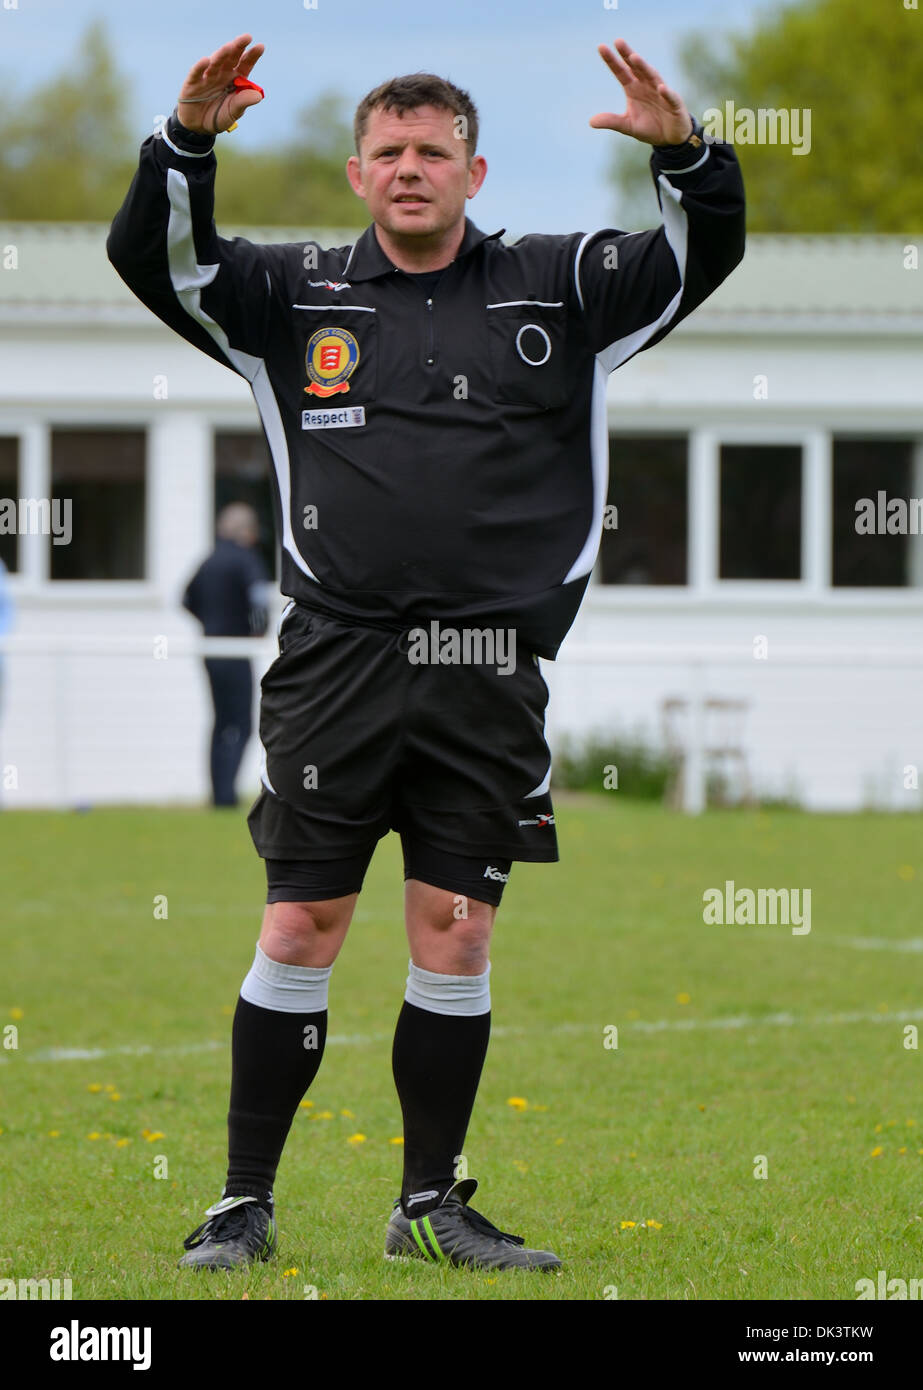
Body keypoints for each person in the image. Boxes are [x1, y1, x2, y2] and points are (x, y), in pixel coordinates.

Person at [107, 32, 745, 1273]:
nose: (411, 170)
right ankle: (242, 1204)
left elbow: (693, 256)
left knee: (453, 932)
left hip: (487, 671)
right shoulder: (288, 296)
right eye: (389, 153)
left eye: (433, 153)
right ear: (355, 174)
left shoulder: (562, 287)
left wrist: (690, 155)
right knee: (300, 926)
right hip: (335, 661)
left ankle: (428, 1208)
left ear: (476, 170)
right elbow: (159, 260)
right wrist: (184, 143)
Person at [182, 503, 272, 807]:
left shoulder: (209, 561)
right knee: (242, 723)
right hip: (235, 649)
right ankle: (226, 795)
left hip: (210, 649)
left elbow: (185, 598)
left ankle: (218, 793)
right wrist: (257, 631)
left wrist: (208, 622)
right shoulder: (246, 560)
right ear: (247, 531)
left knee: (221, 722)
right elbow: (259, 600)